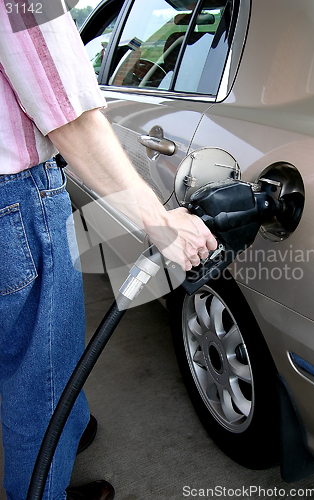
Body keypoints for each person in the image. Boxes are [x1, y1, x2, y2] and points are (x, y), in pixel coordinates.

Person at [0, 5, 216, 500]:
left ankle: (68, 429)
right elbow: (70, 118)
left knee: (31, 354)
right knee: (40, 382)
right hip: (12, 199)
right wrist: (160, 222)